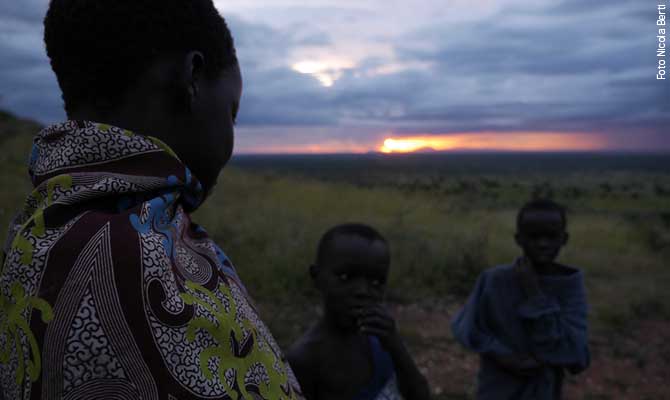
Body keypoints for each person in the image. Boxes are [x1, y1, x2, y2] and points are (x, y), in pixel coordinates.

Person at [0, 1, 303, 399]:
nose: (230, 136)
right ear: (192, 77)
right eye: (232, 112)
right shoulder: (125, 254)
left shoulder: (36, 229)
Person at [451, 199, 590, 399]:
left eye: (551, 236)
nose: (543, 244)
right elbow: (467, 328)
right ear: (519, 239)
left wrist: (534, 294)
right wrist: (502, 355)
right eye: (534, 237)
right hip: (497, 389)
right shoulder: (494, 280)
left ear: (564, 239)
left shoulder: (570, 287)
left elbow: (575, 354)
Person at [287, 224, 431, 400]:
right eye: (345, 277)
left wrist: (396, 346)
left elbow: (420, 395)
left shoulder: (381, 338)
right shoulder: (305, 359)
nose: (363, 291)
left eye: (376, 282)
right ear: (317, 277)